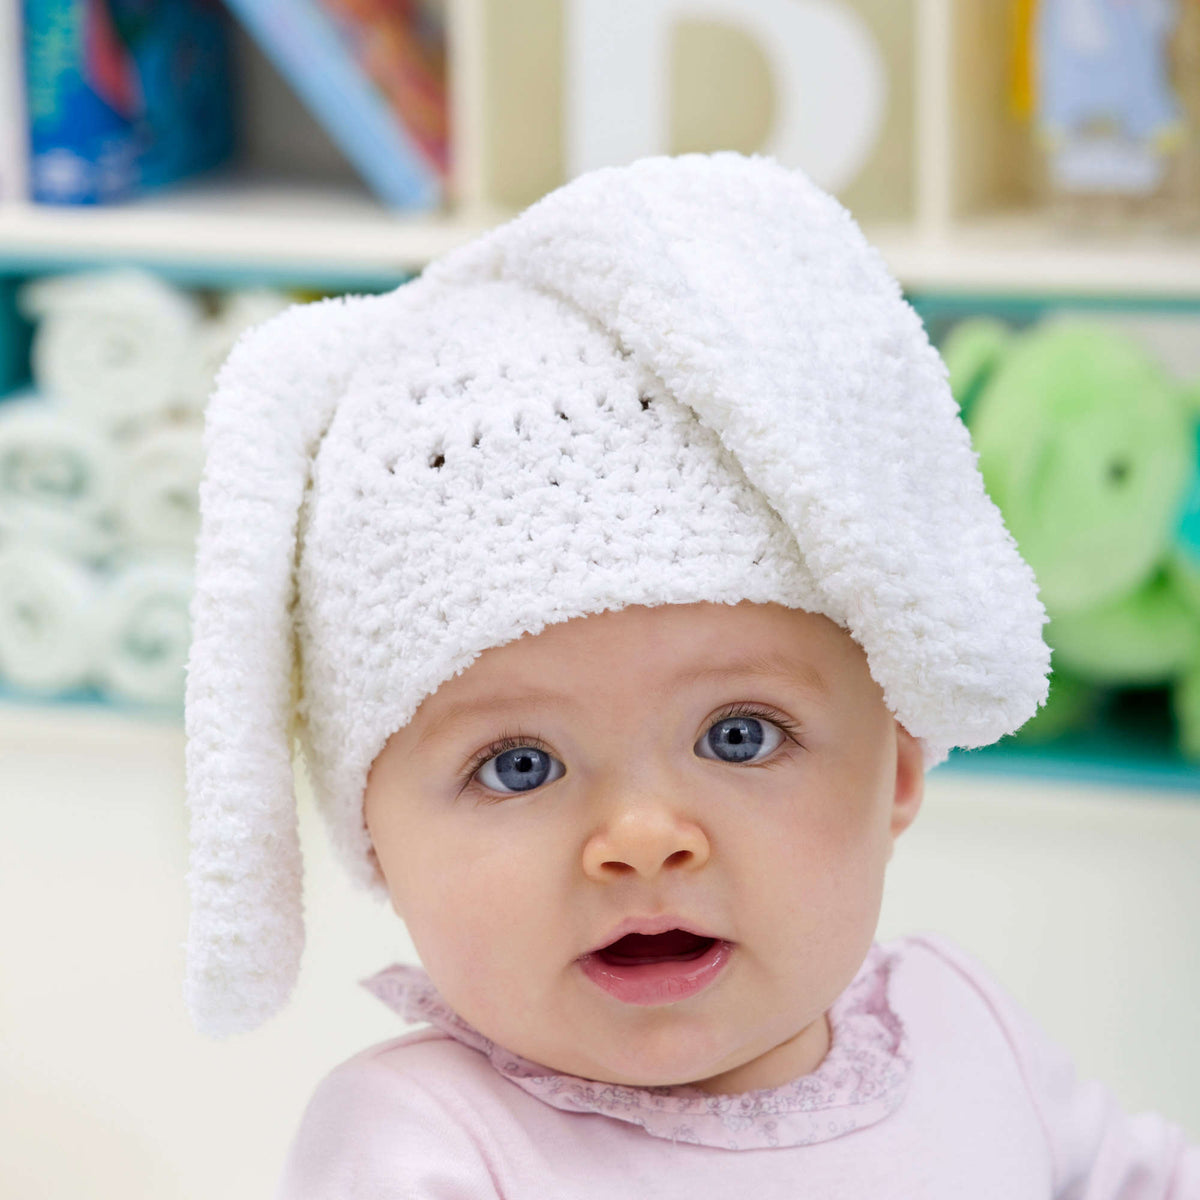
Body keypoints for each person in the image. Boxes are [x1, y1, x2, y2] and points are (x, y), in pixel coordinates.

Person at [181, 152, 1199, 1197]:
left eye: (740, 734)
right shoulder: (425, 1142)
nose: (641, 838)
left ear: (897, 764)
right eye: (519, 765)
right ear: (374, 839)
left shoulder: (965, 1034)